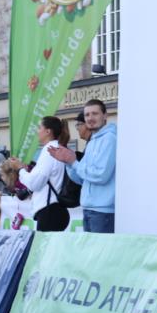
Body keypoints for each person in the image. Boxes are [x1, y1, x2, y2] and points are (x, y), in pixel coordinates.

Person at [48, 99, 116, 233]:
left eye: (94, 114)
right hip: (89, 209)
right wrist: (67, 162)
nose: (90, 118)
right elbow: (81, 179)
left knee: (99, 254)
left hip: (103, 211)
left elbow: (101, 175)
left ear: (105, 116)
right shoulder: (92, 142)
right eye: (87, 115)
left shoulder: (110, 139)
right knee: (92, 253)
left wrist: (73, 162)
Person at [10, 116, 67, 231]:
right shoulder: (57, 148)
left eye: (39, 127)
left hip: (49, 211)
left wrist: (20, 169)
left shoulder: (49, 150)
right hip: (54, 209)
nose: (37, 131)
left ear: (48, 131)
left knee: (44, 248)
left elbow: (34, 183)